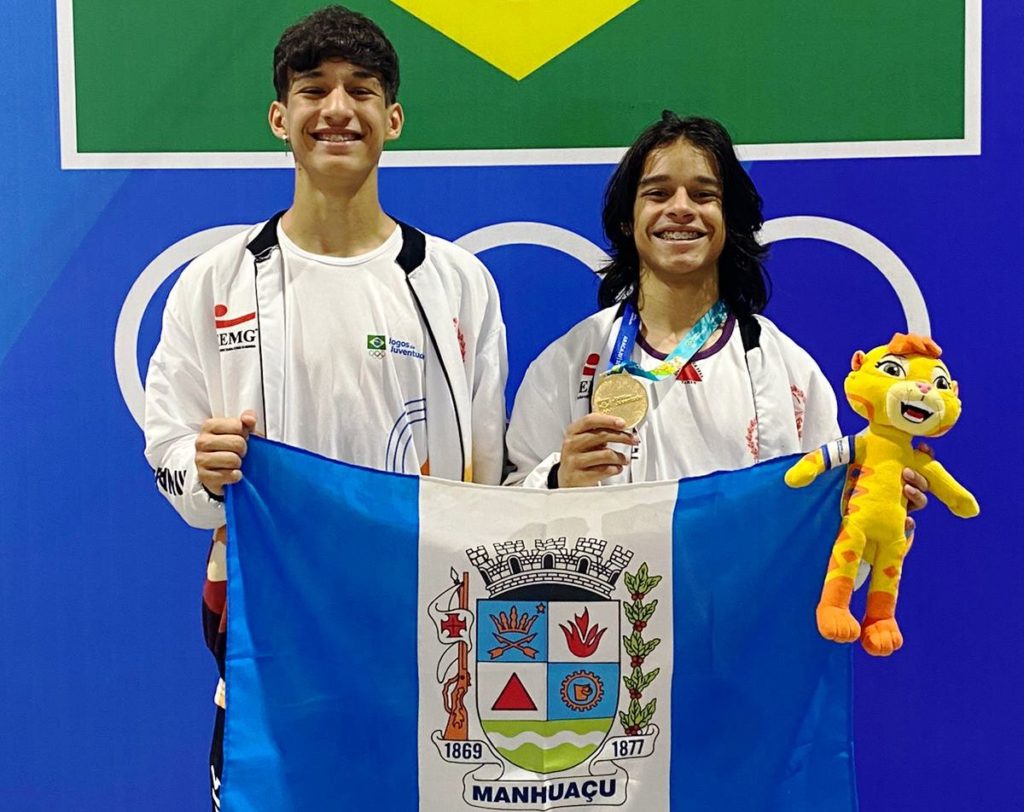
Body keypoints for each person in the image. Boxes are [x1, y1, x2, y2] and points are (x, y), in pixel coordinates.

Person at [143, 6, 507, 807]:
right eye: (314, 91)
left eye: (362, 91)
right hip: (271, 646)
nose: (337, 109)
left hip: (422, 640)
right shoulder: (214, 282)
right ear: (281, 117)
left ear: (393, 119)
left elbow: (490, 485)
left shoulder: (456, 284)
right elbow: (170, 463)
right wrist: (200, 470)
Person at [505, 111, 929, 507]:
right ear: (625, 221)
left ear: (730, 220)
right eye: (658, 193)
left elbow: (816, 529)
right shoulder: (566, 364)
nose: (681, 209)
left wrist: (873, 502)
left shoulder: (786, 368)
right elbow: (500, 520)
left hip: (745, 589)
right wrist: (559, 480)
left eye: (704, 195)